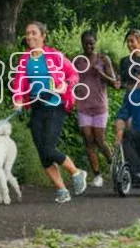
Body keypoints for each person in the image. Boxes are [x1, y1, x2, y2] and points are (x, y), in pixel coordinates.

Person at [12, 21, 87, 203]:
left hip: (55, 105)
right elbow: (19, 82)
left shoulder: (55, 56)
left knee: (48, 148)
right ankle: (62, 190)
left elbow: (74, 75)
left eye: (34, 33)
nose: (30, 36)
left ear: (43, 36)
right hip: (36, 107)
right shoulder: (24, 59)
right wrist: (18, 99)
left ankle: (76, 172)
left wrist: (65, 84)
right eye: (27, 33)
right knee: (42, 152)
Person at [75, 30, 117, 187]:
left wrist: (100, 73)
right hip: (83, 105)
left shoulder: (103, 59)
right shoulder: (77, 60)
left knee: (100, 140)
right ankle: (97, 174)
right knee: (88, 140)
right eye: (85, 43)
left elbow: (114, 82)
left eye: (91, 43)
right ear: (82, 43)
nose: (88, 46)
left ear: (96, 43)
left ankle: (113, 162)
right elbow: (71, 79)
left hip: (99, 106)